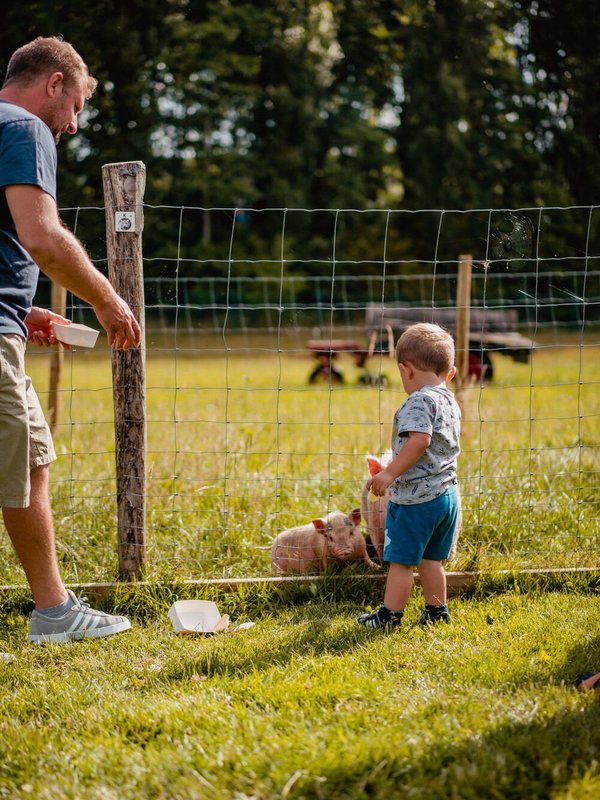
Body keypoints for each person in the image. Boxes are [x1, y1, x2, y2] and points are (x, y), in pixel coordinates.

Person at [0, 36, 141, 646]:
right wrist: (109, 300)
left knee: (32, 456)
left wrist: (19, 304)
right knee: (23, 460)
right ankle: (55, 616)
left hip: (7, 321)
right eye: (76, 103)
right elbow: (43, 236)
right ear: (54, 82)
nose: (74, 124)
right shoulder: (23, 129)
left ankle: (54, 607)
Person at [357, 323, 461, 630]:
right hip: (446, 496)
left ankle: (390, 616)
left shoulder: (418, 401)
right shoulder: (449, 399)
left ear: (406, 370)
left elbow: (420, 440)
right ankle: (436, 611)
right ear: (450, 373)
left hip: (416, 500)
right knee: (431, 560)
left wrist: (388, 472)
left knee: (401, 561)